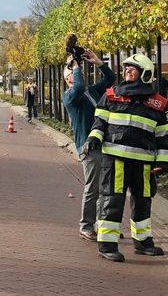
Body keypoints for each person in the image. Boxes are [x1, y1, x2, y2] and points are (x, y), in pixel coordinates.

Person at [84, 54, 168, 262]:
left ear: (145, 74)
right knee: (112, 201)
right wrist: (93, 139)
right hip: (115, 161)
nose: (127, 72)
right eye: (126, 69)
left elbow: (163, 135)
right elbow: (100, 123)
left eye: (133, 69)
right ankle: (107, 245)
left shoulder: (158, 104)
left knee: (142, 202)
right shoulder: (111, 95)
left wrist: (163, 161)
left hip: (143, 164)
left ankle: (142, 242)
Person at [62, 38, 116, 241]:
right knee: (92, 188)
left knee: (106, 188)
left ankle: (103, 226)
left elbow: (110, 79)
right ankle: (86, 225)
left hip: (103, 143)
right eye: (69, 76)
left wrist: (99, 63)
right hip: (88, 146)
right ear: (67, 79)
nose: (73, 77)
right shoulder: (70, 97)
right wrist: (74, 68)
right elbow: (77, 87)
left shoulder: (91, 91)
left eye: (74, 74)